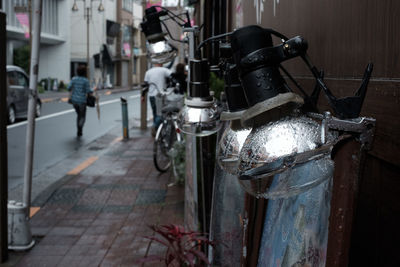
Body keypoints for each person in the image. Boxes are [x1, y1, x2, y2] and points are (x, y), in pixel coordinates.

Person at [144, 63, 172, 135]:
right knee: (160, 114)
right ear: (161, 63)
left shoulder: (148, 72)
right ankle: (155, 126)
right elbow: (173, 76)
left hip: (151, 95)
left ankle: (156, 130)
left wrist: (142, 95)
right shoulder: (164, 70)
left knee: (154, 112)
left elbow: (145, 85)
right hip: (160, 95)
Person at [68, 65, 95, 137]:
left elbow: (68, 88)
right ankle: (80, 127)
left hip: (74, 101)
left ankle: (79, 130)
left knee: (78, 115)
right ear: (84, 72)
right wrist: (93, 89)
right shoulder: (85, 80)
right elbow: (88, 91)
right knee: (82, 116)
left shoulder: (74, 79)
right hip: (82, 101)